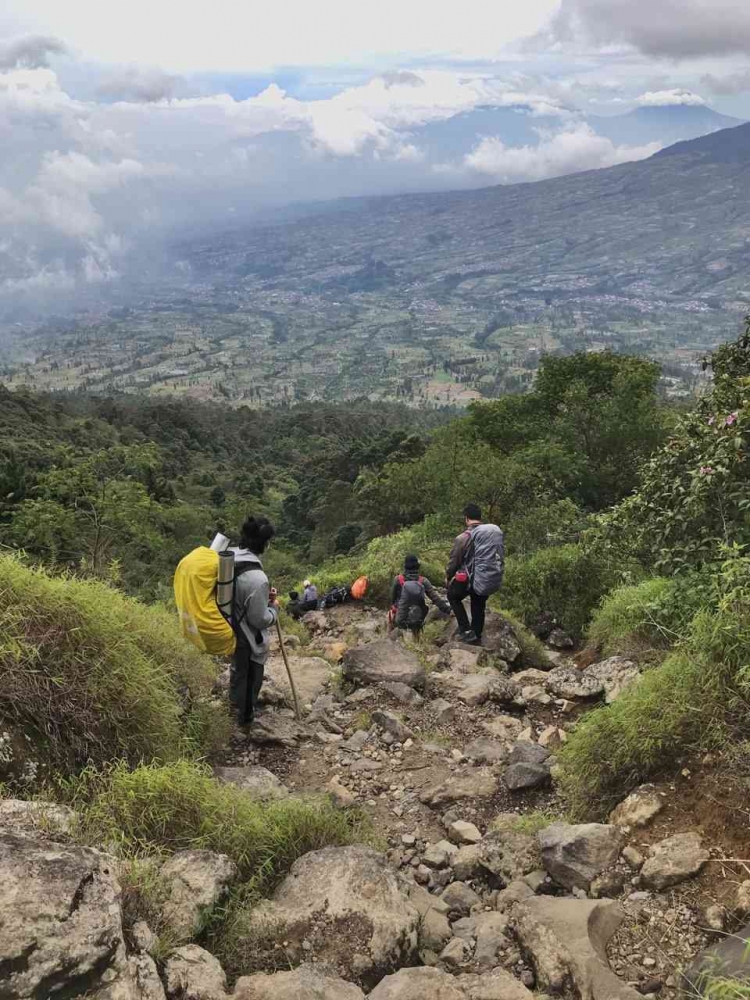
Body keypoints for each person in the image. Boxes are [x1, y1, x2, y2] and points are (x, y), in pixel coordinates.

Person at [229, 515, 279, 729]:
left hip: (229, 626)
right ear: (264, 544)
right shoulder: (258, 579)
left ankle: (233, 705)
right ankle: (245, 721)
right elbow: (259, 620)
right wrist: (274, 610)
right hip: (248, 638)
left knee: (237, 670)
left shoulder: (229, 556)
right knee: (251, 678)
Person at [446, 503, 505, 645]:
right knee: (478, 604)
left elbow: (454, 561)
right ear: (480, 518)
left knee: (453, 597)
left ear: (466, 519)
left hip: (468, 578)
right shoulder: (489, 534)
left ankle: (466, 630)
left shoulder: (462, 538)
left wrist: (448, 576)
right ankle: (476, 635)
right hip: (486, 577)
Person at [389, 554, 451, 635]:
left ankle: (390, 638)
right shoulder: (423, 581)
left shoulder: (398, 579)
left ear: (405, 566)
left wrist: (395, 606)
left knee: (391, 614)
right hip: (418, 618)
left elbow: (392, 598)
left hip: (401, 617)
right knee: (417, 620)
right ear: (418, 566)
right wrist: (448, 609)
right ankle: (417, 639)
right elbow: (435, 599)